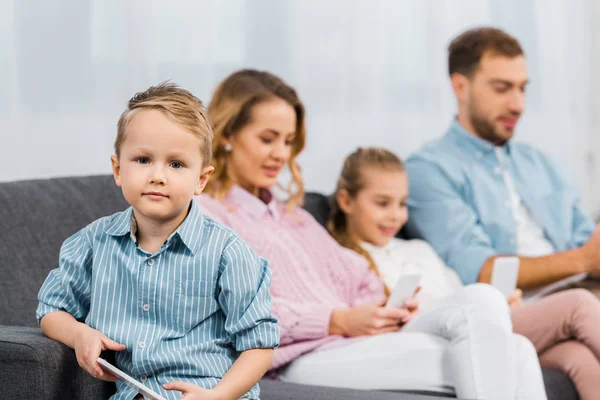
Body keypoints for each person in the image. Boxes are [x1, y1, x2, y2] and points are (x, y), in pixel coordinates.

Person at [194, 69, 547, 400]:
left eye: (288, 141)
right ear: (227, 135)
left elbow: (360, 278)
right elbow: (236, 311)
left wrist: (382, 307)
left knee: (507, 333)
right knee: (499, 339)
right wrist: (337, 319)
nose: (281, 154)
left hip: (356, 341)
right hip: (298, 357)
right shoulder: (208, 215)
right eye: (267, 139)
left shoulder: (295, 218)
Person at [36, 82, 279, 400]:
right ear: (118, 169)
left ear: (200, 180)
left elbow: (259, 345)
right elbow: (51, 308)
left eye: (176, 164)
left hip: (213, 393)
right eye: (143, 160)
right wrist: (79, 334)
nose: (158, 175)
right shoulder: (93, 243)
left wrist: (217, 395)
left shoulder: (228, 253)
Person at [329, 146, 600, 400]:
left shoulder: (418, 250)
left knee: (575, 355)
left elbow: (463, 296)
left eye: (402, 204)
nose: (395, 216)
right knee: (578, 305)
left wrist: (500, 303)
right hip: (443, 336)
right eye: (382, 203)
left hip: (480, 319)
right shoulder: (345, 261)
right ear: (346, 201)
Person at [404, 27, 600, 299]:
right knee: (581, 308)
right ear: (460, 86)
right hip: (527, 307)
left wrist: (590, 258)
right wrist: (582, 260)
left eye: (522, 88)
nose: (517, 105)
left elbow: (588, 241)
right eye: (502, 88)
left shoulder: (540, 163)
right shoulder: (428, 171)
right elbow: (479, 272)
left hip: (585, 291)